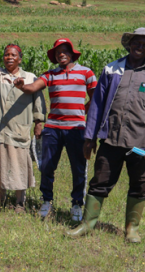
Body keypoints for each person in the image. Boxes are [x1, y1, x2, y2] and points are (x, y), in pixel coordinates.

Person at [66, 28, 145, 243]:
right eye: (137, 43)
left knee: (140, 185)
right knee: (100, 182)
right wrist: (89, 137)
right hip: (111, 139)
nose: (139, 48)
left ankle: (132, 229)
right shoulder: (112, 70)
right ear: (129, 43)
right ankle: (87, 224)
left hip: (141, 143)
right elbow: (97, 105)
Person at [13, 38, 97, 221]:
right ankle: (46, 201)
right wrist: (22, 86)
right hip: (53, 128)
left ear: (72, 53)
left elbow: (96, 97)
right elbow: (33, 87)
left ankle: (76, 204)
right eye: (58, 52)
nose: (61, 54)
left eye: (65, 50)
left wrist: (84, 110)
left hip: (76, 128)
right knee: (47, 166)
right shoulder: (50, 75)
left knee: (78, 167)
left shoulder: (86, 73)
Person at [0, 30, 46, 213]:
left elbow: (38, 102)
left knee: (19, 166)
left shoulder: (30, 77)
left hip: (19, 129)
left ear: (20, 59)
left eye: (13, 55)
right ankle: (1, 199)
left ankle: (19, 202)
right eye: (6, 55)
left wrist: (38, 123)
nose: (9, 57)